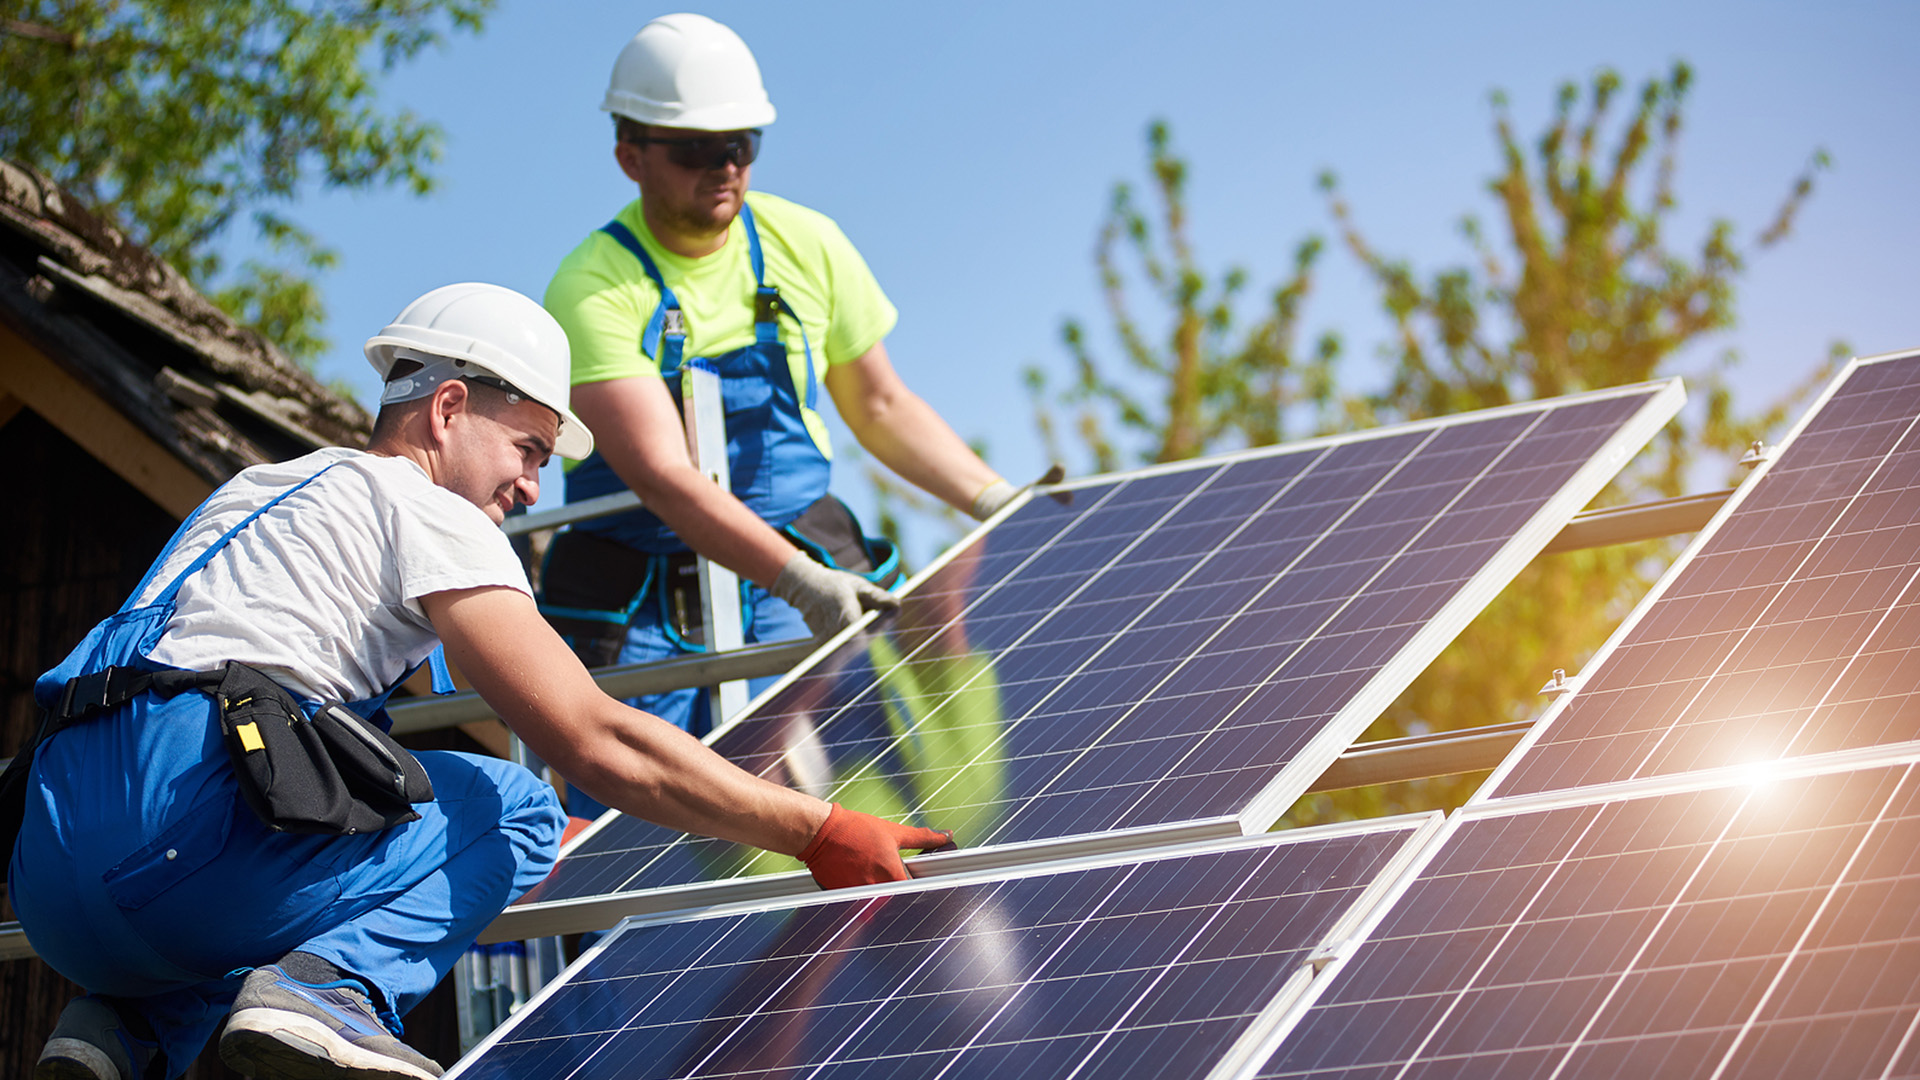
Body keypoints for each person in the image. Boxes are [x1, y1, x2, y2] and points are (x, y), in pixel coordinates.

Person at [8, 283, 952, 1080]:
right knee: (510, 806)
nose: (535, 489)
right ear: (450, 408)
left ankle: (122, 1029)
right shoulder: (426, 509)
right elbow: (592, 736)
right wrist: (817, 827)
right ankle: (326, 998)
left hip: (50, 879)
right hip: (187, 843)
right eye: (530, 450)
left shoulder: (256, 494)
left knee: (302, 834)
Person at [541, 13, 1029, 780]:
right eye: (699, 149)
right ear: (630, 157)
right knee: (649, 835)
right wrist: (803, 584)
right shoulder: (592, 288)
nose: (726, 166)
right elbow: (665, 475)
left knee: (889, 785)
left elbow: (881, 406)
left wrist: (999, 500)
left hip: (802, 564)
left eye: (743, 144)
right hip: (644, 612)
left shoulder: (809, 243)